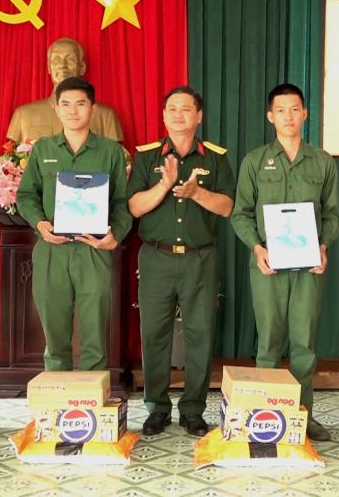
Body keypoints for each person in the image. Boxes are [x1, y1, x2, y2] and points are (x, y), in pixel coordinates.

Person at [231, 83, 339, 442]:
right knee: (269, 343)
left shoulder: (322, 161)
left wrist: (323, 245)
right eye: (281, 110)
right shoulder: (254, 161)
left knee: (304, 345)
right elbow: (241, 213)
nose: (289, 117)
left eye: (295, 109)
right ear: (270, 116)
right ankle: (267, 415)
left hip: (309, 267)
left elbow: (332, 214)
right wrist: (256, 248)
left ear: (305, 113)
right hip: (269, 266)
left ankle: (302, 415)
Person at [128, 86, 235, 437]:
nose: (178, 115)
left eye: (186, 109)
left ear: (199, 116)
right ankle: (157, 408)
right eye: (171, 108)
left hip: (199, 259)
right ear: (163, 115)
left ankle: (192, 409)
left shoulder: (215, 158)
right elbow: (134, 207)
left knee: (200, 334)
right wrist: (165, 186)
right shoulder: (147, 157)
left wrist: (195, 192)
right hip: (156, 257)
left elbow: (227, 207)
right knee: (154, 334)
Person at [16, 77, 131, 371]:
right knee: (55, 340)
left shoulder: (110, 151)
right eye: (65, 104)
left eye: (80, 104)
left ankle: (91, 395)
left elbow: (122, 201)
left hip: (93, 250)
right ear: (56, 109)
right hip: (52, 250)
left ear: (93, 108)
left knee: (95, 337)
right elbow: (26, 195)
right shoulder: (42, 149)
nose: (73, 110)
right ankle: (58, 394)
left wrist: (116, 235)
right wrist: (40, 224)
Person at [6, 37, 123, 143]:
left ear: (82, 67)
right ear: (49, 68)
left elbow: (116, 156)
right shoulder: (23, 115)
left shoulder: (105, 116)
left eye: (70, 60)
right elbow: (13, 156)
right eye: (56, 60)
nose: (63, 65)